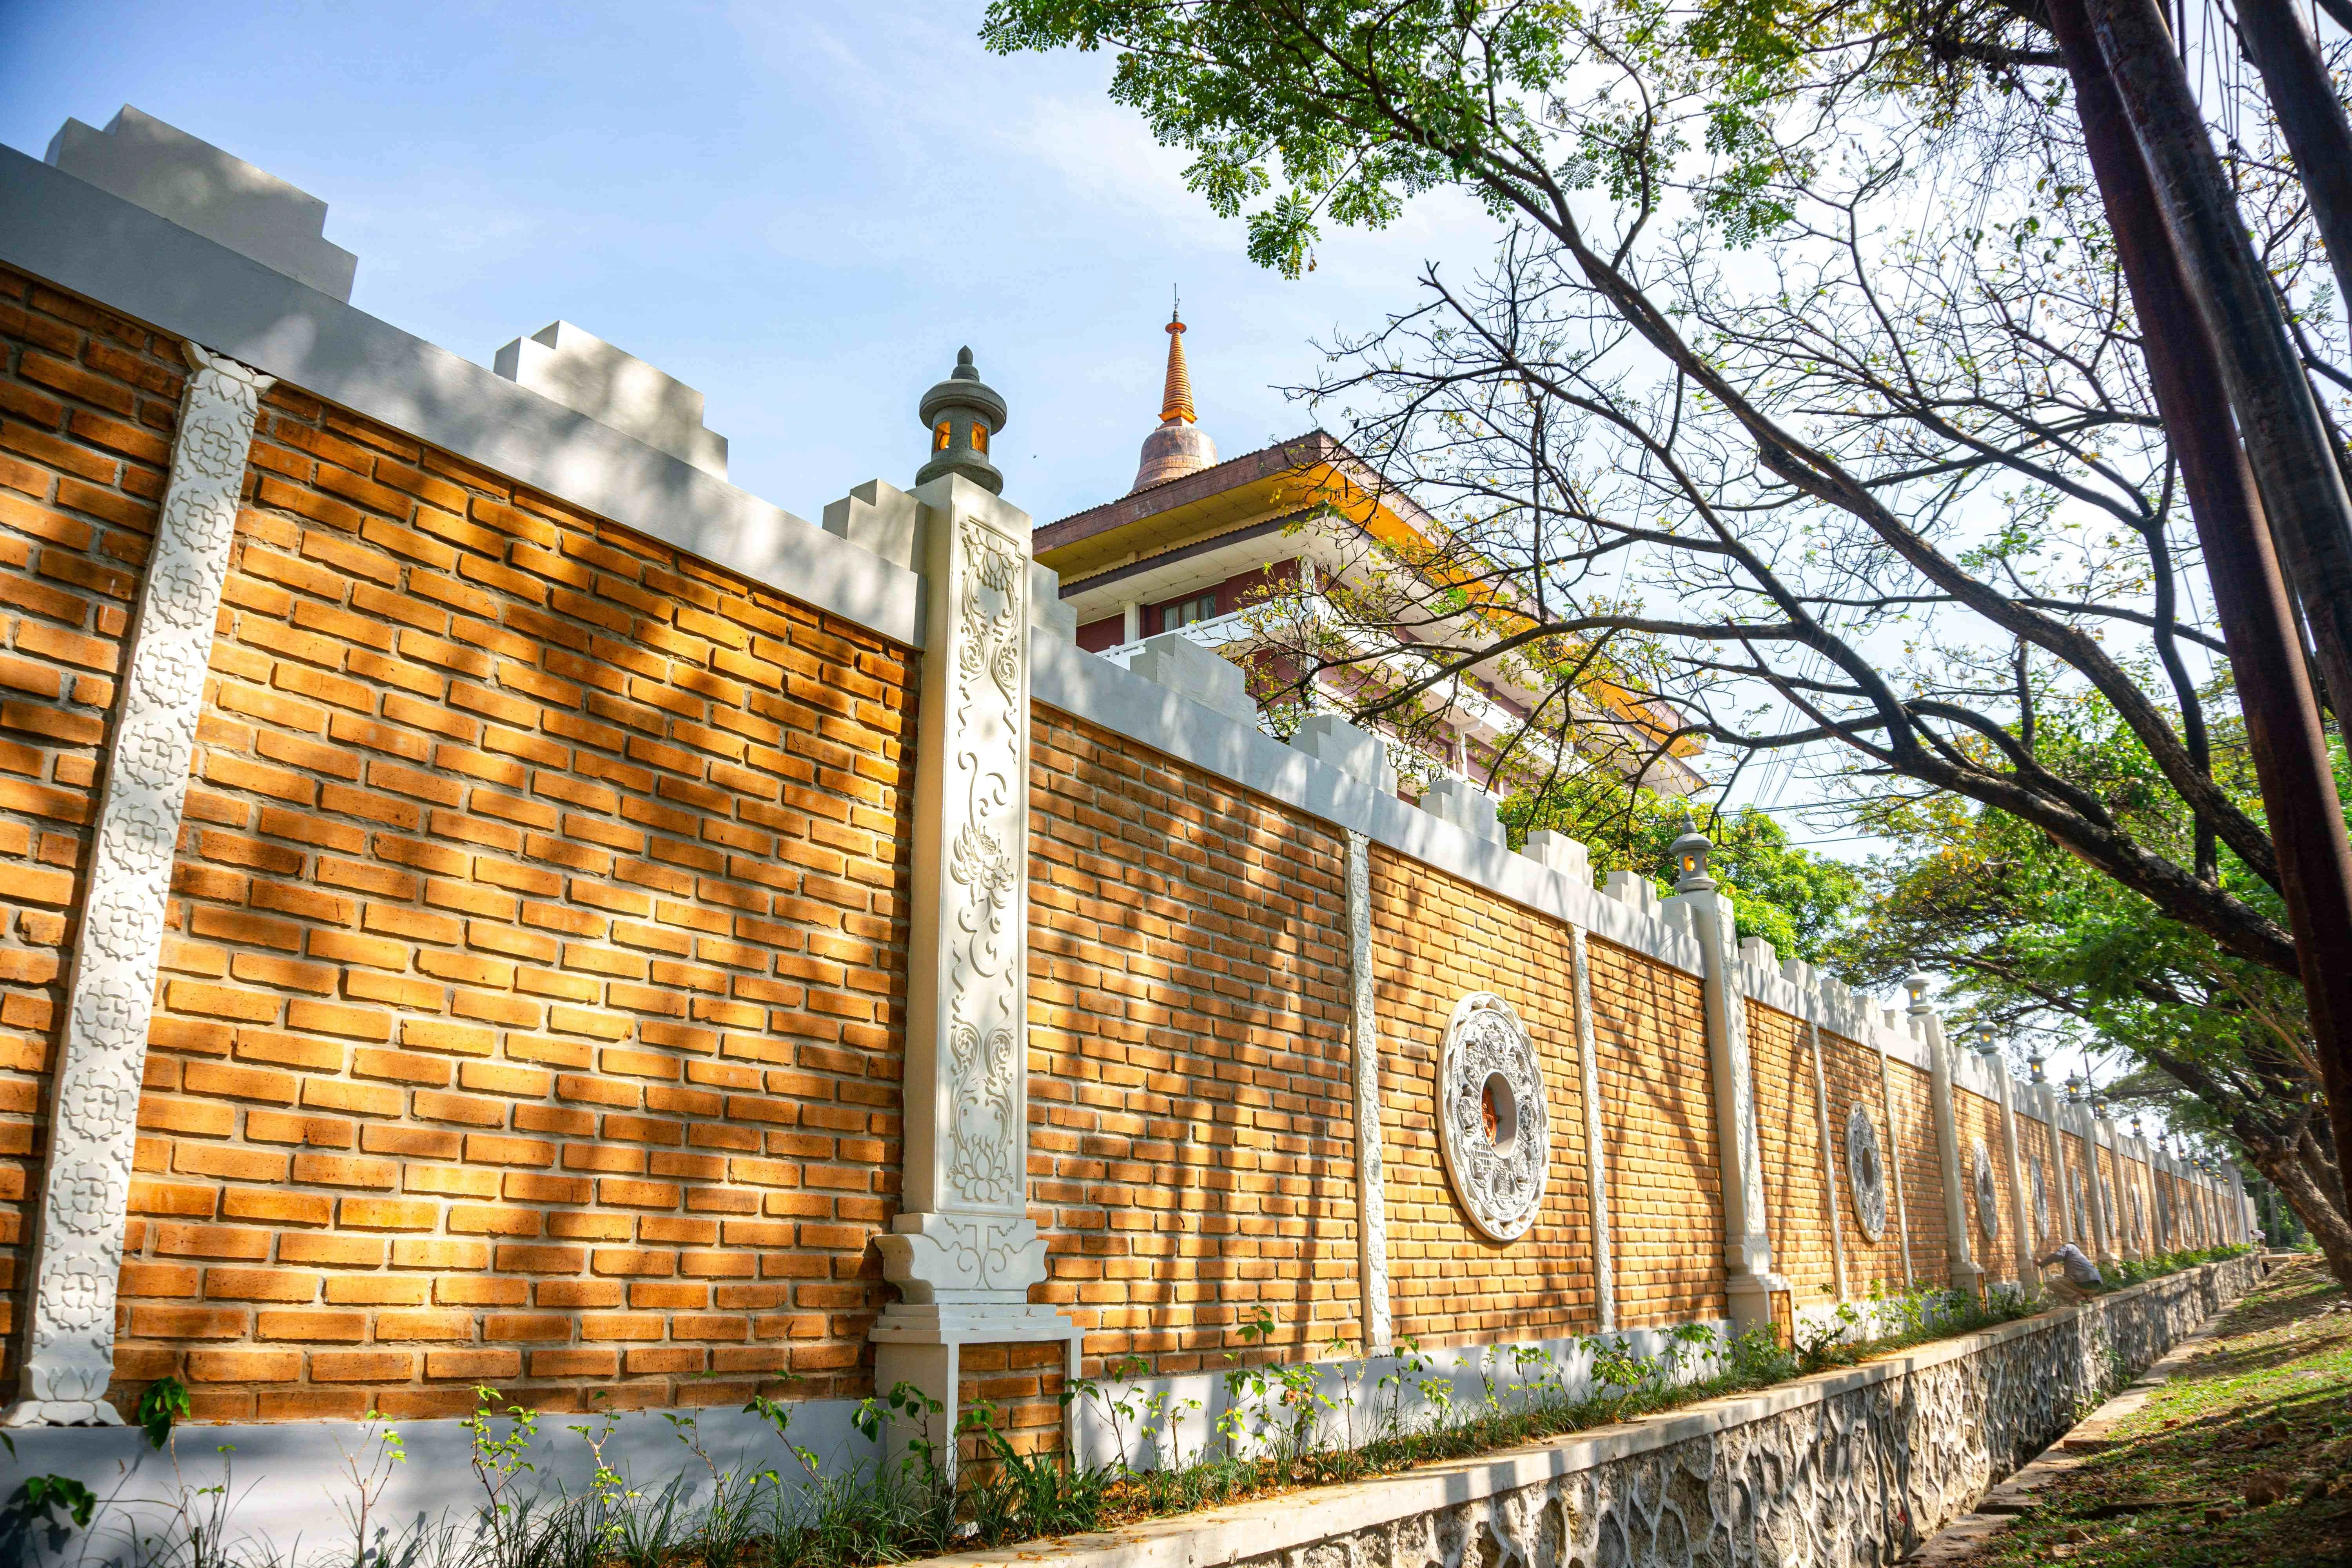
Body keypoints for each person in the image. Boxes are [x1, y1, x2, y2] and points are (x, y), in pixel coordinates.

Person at [2035, 1241, 2106, 1304]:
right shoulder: (2079, 1257)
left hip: (2085, 1283)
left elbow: (2058, 1255)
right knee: (2069, 1283)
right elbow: (2069, 1280)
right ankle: (2086, 1296)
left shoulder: (2070, 1247)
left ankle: (2076, 1297)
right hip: (2097, 1287)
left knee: (2050, 1282)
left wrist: (2041, 1264)